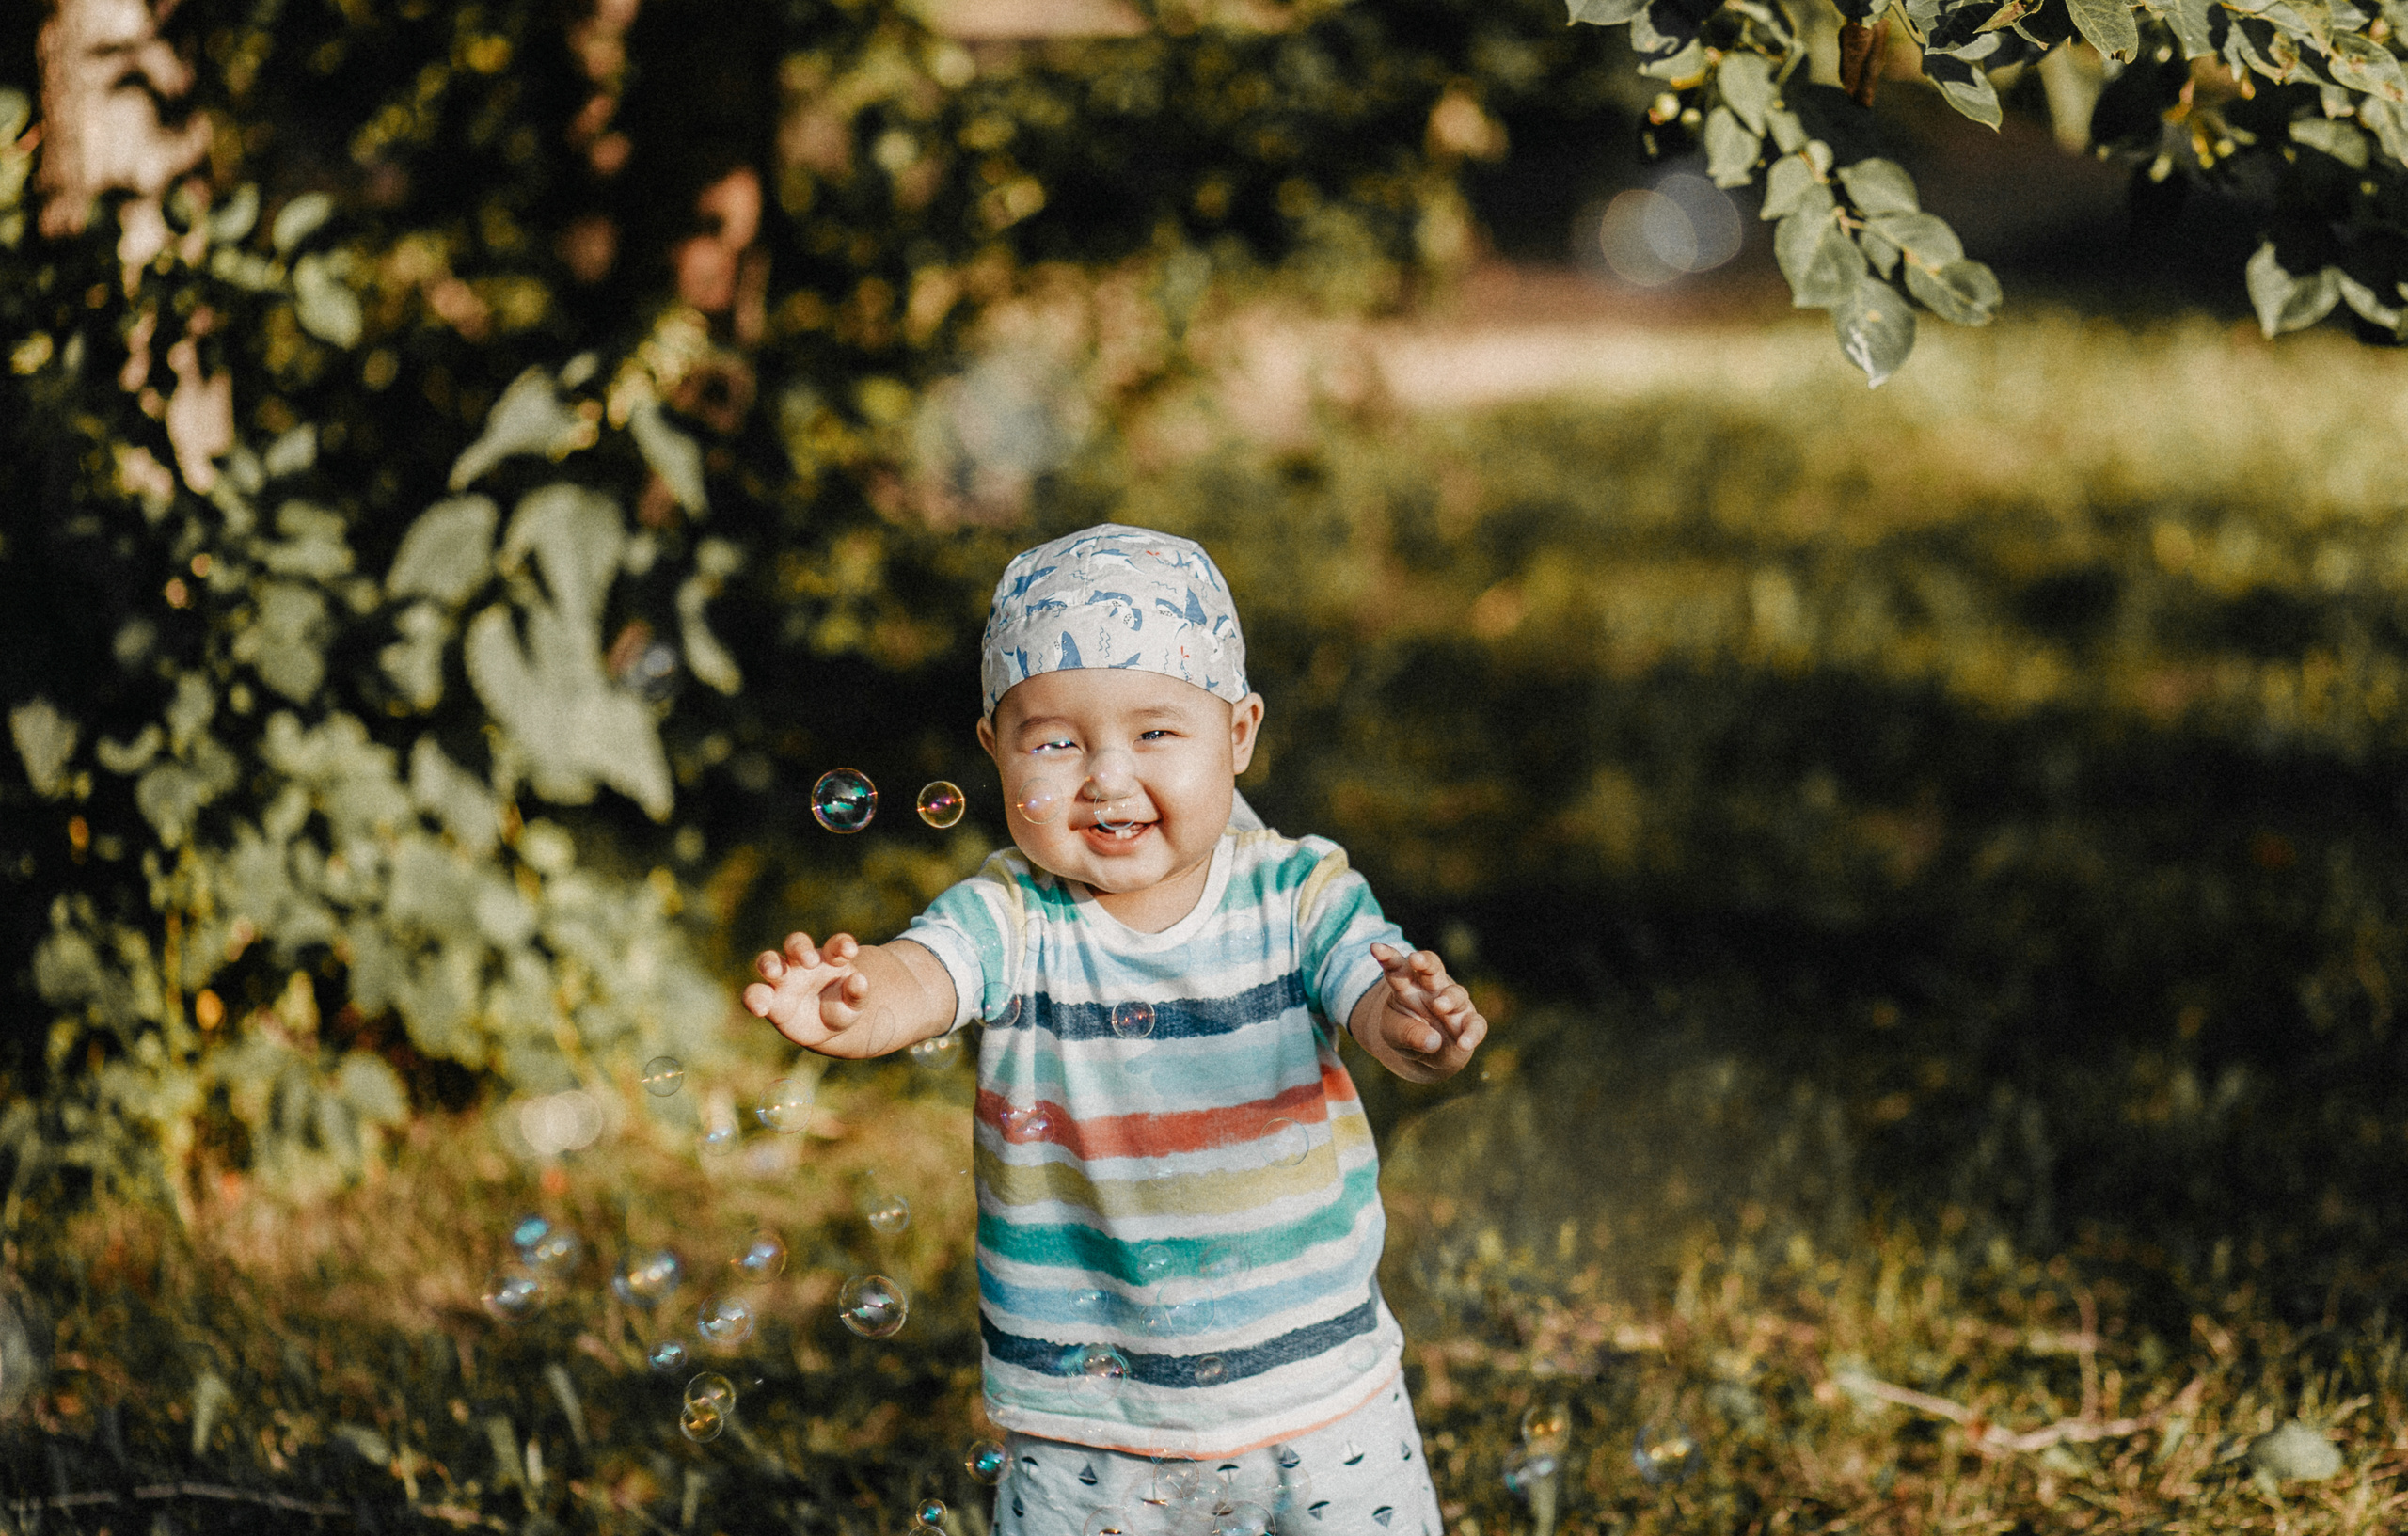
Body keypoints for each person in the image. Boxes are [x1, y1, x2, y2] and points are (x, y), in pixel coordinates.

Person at [742, 524, 1488, 1536]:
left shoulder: (1296, 891)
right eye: (1053, 740)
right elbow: (921, 973)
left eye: (1154, 733)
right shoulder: (1011, 912)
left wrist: (1417, 1025)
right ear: (993, 752)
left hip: (1317, 1390)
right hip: (1089, 1417)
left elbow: (1373, 993)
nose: (1104, 774)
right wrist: (853, 997)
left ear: (1238, 733)